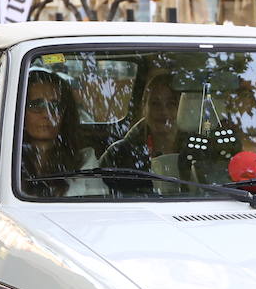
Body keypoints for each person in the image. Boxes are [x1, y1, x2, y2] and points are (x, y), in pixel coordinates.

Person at [19, 69, 93, 197]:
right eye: (36, 105)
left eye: (55, 106)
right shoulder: (2, 162)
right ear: (19, 110)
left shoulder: (85, 162)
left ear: (65, 114)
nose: (47, 114)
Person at [100, 70, 183, 174]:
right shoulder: (118, 155)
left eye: (171, 103)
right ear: (144, 108)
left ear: (183, 108)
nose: (163, 111)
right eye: (155, 103)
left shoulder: (197, 152)